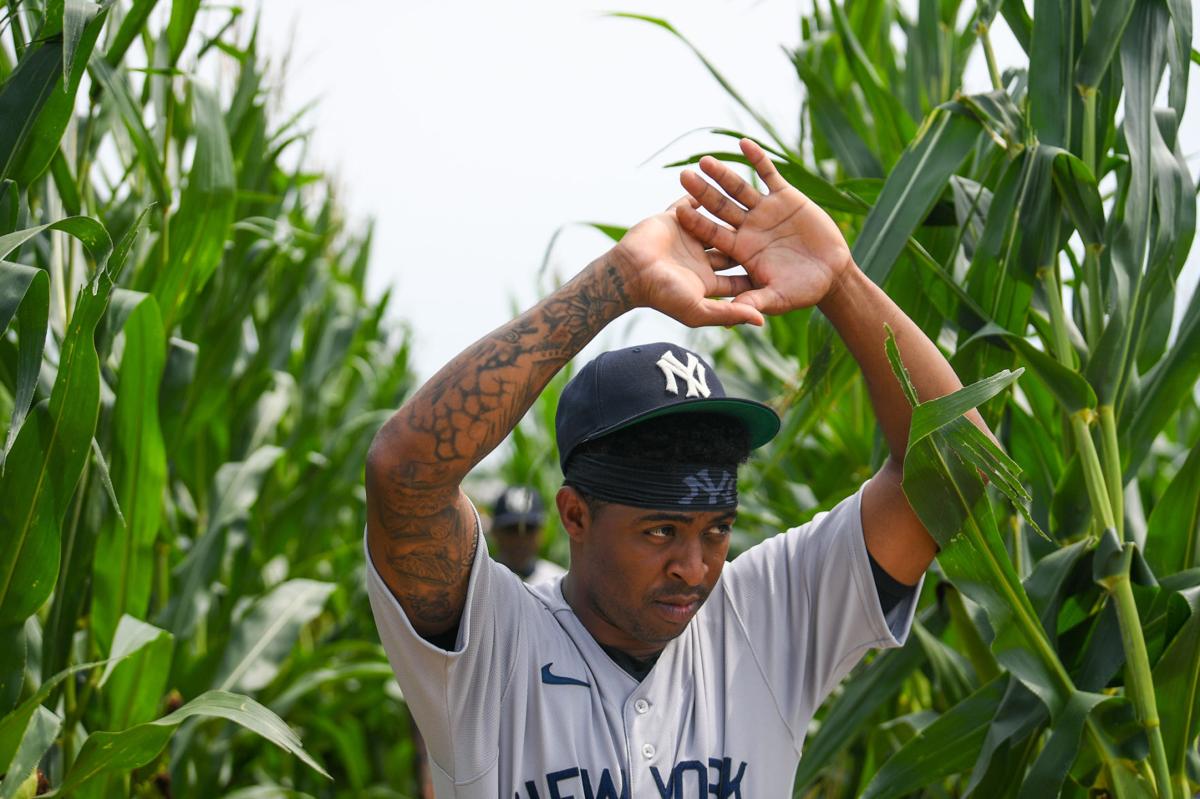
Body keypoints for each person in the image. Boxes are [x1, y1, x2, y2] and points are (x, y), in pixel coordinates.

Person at [364, 139, 990, 797]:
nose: (694, 567)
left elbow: (957, 465)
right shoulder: (493, 651)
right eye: (660, 531)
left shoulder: (764, 621)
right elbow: (405, 473)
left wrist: (841, 282)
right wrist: (619, 280)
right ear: (575, 514)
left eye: (716, 529)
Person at [489, 485, 567, 584]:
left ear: (541, 533)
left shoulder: (559, 585)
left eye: (529, 529)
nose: (520, 539)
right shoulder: (478, 581)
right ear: (495, 532)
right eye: (512, 530)